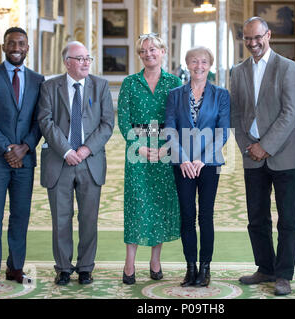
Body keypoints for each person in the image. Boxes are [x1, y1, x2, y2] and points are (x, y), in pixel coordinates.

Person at [230, 17, 295, 296]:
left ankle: (283, 275)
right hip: (252, 155)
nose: (252, 43)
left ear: (268, 35)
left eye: (257, 37)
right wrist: (246, 146)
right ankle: (265, 267)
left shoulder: (287, 68)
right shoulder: (238, 71)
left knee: (287, 219)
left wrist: (266, 146)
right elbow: (235, 113)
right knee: (256, 217)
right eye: (247, 39)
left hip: (283, 154)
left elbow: (291, 113)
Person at [38, 41, 115, 286]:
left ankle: (85, 267)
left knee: (88, 218)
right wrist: (67, 150)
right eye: (80, 58)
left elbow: (107, 124)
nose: (85, 62)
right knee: (61, 218)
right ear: (67, 62)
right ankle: (62, 268)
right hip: (58, 162)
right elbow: (46, 121)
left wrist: (84, 150)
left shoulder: (100, 86)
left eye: (87, 58)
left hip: (90, 161)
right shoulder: (50, 87)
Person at [0, 27, 44, 289]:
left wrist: (24, 147)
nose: (16, 47)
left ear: (28, 48)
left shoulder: (39, 80)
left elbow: (39, 120)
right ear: (4, 47)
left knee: (20, 215)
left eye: (21, 43)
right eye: (12, 43)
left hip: (25, 160)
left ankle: (14, 267)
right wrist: (7, 148)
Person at [117, 33, 181, 285]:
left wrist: (167, 148)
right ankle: (129, 263)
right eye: (144, 51)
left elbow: (180, 119)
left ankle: (156, 261)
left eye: (153, 49)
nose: (149, 54)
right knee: (135, 205)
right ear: (140, 55)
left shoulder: (174, 82)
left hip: (165, 152)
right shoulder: (130, 83)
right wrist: (139, 146)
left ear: (163, 51)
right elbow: (123, 119)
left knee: (159, 205)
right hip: (137, 153)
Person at [165, 46, 230, 287]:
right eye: (194, 61)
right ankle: (190, 267)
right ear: (187, 64)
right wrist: (183, 158)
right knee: (187, 216)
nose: (198, 66)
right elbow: (169, 128)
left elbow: (223, 131)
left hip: (209, 164)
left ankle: (205, 268)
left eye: (203, 62)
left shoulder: (221, 94)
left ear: (209, 65)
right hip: (182, 164)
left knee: (205, 216)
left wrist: (202, 159)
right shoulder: (175, 94)